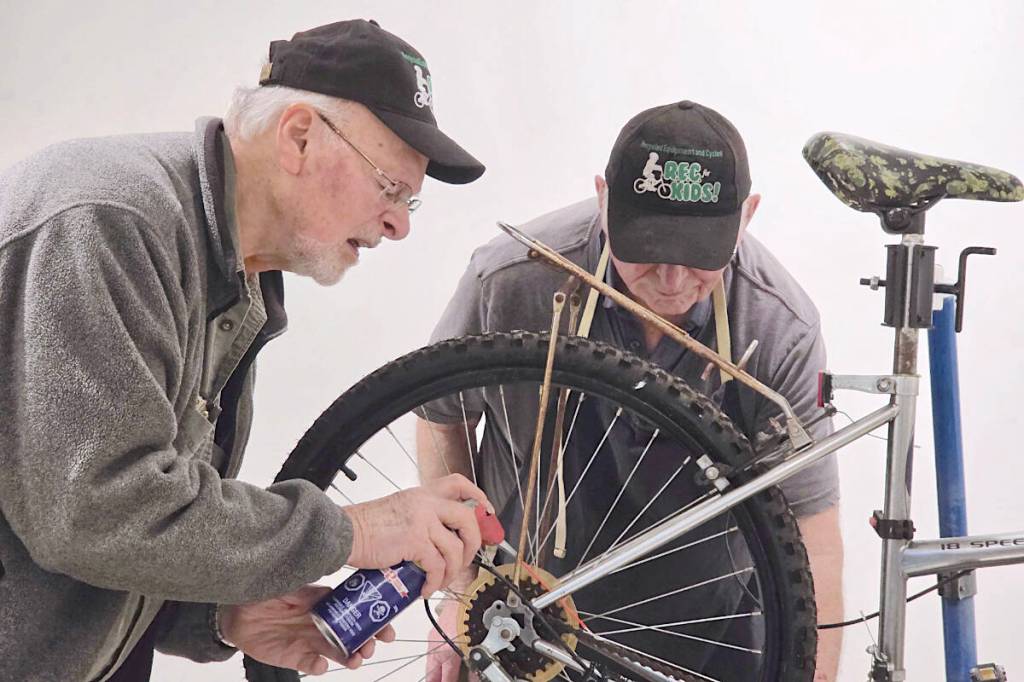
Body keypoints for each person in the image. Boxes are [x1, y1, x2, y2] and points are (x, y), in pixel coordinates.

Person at [0, 19, 494, 682]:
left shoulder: (235, 277)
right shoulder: (111, 222)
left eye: (411, 202)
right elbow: (95, 510)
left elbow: (118, 532)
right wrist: (355, 532)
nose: (399, 223)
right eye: (389, 187)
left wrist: (217, 620)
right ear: (298, 137)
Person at [417, 101, 844, 681]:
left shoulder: (777, 326)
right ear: (603, 198)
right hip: (529, 618)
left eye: (699, 256)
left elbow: (812, 532)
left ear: (747, 217)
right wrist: (461, 590)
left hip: (712, 630)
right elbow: (444, 415)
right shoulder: (514, 278)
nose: (671, 280)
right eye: (646, 246)